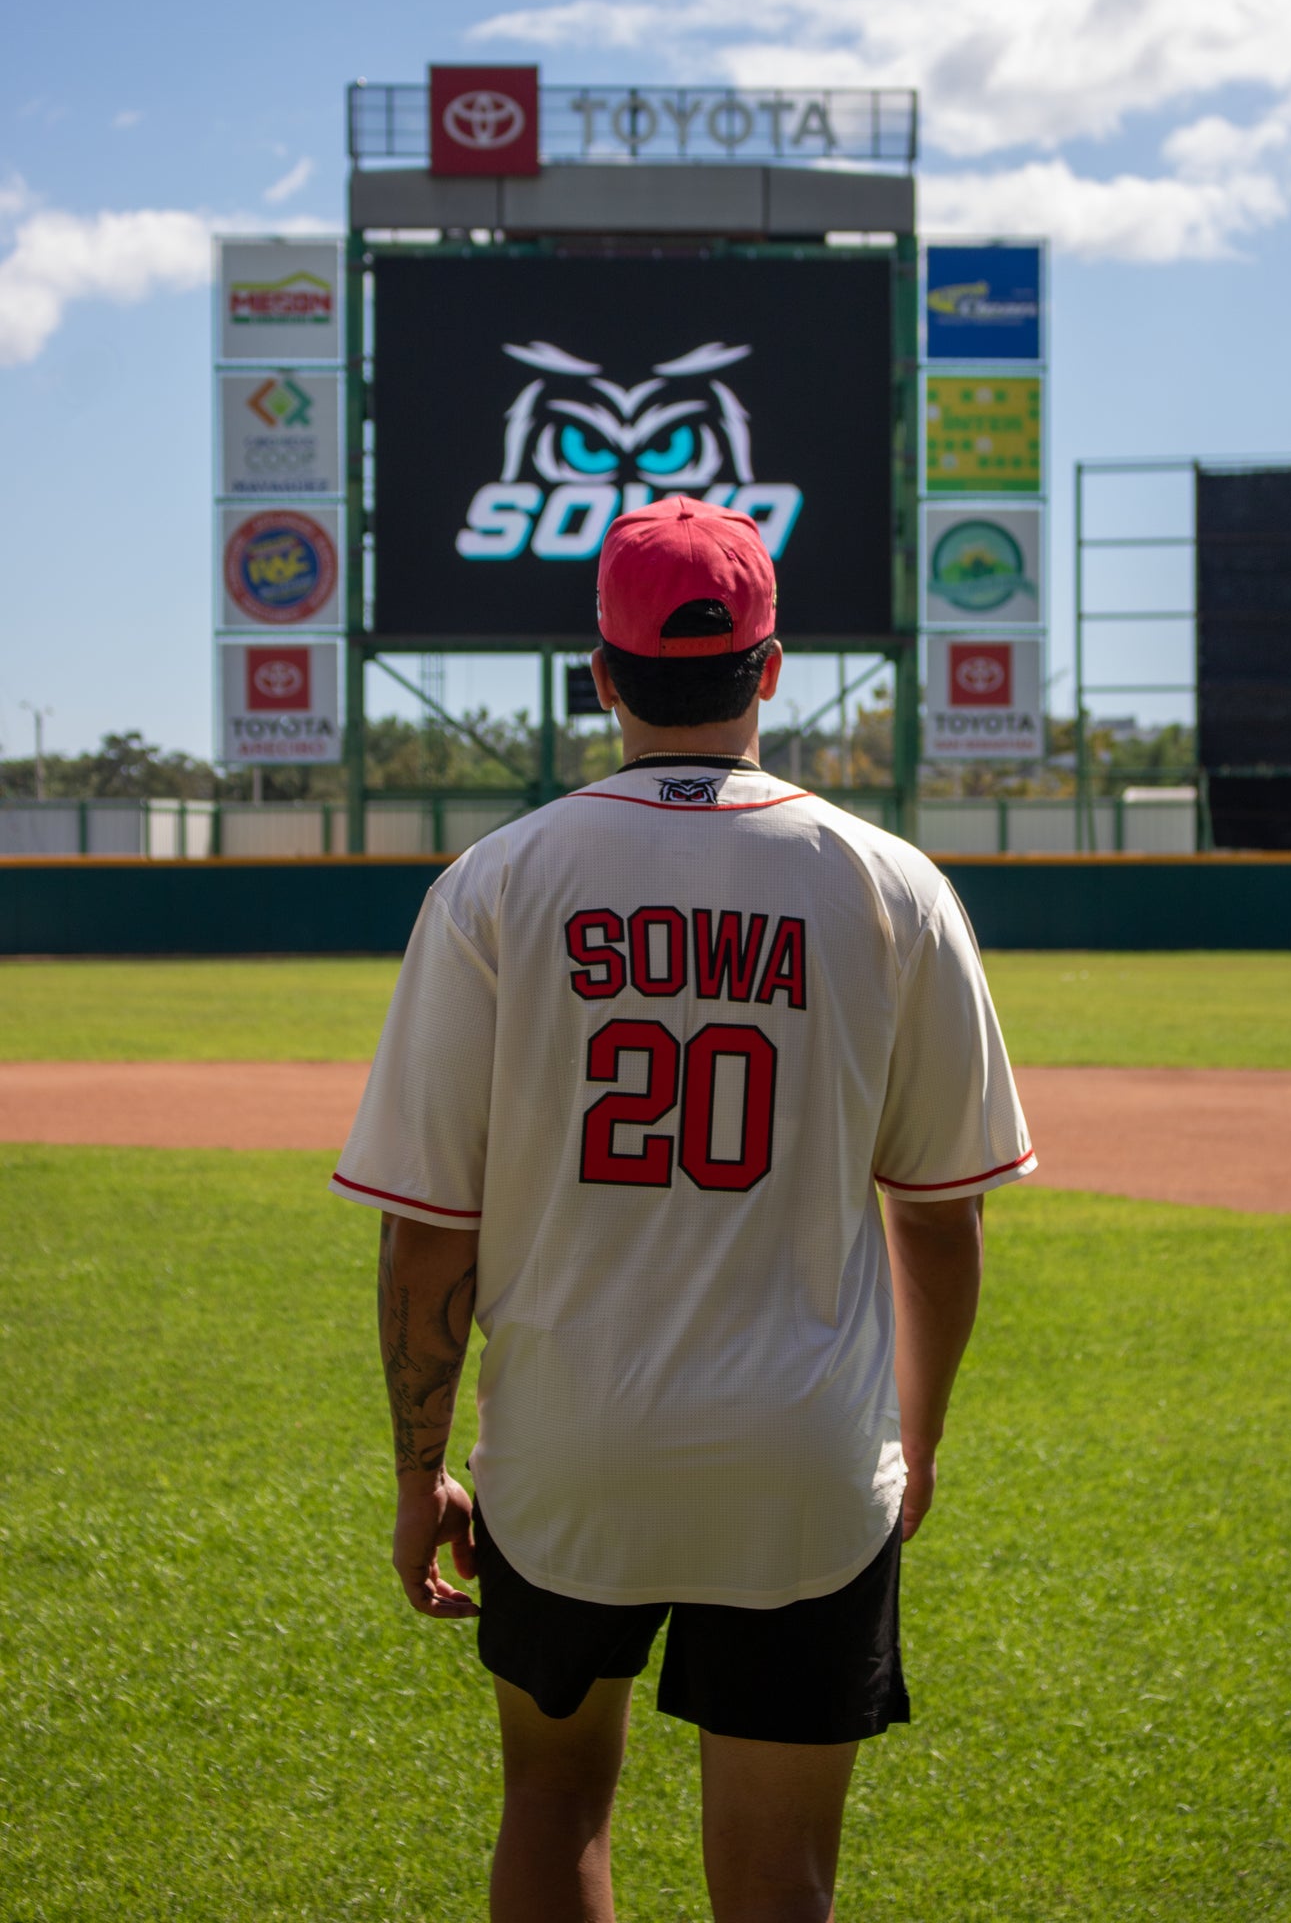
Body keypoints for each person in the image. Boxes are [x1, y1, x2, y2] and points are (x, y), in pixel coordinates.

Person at [331, 495, 1036, 1923]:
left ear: (601, 674)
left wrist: (419, 1472)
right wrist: (919, 1434)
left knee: (553, 1807)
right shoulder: (890, 884)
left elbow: (427, 1234)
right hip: (802, 1456)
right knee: (777, 1875)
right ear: (767, 668)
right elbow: (941, 1217)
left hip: (565, 1452)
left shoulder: (495, 886)